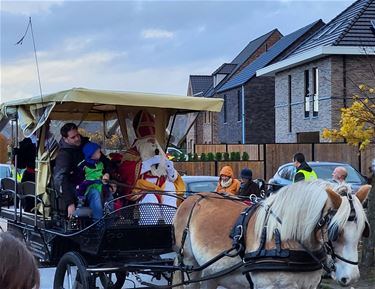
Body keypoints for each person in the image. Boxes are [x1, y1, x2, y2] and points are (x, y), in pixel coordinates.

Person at [116, 110, 185, 209]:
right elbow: (126, 175)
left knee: (170, 194)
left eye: (153, 142)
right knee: (150, 200)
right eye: (147, 142)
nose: (152, 144)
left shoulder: (160, 152)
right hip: (143, 190)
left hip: (162, 187)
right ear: (141, 142)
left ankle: (170, 224)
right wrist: (147, 164)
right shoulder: (131, 155)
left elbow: (172, 178)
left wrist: (171, 171)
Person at [77, 142, 113, 220]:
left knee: (109, 193)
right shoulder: (83, 165)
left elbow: (103, 174)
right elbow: (79, 180)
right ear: (92, 155)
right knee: (95, 194)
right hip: (89, 188)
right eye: (98, 152)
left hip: (100, 186)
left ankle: (112, 219)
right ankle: (98, 222)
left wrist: (106, 176)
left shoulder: (100, 164)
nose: (100, 154)